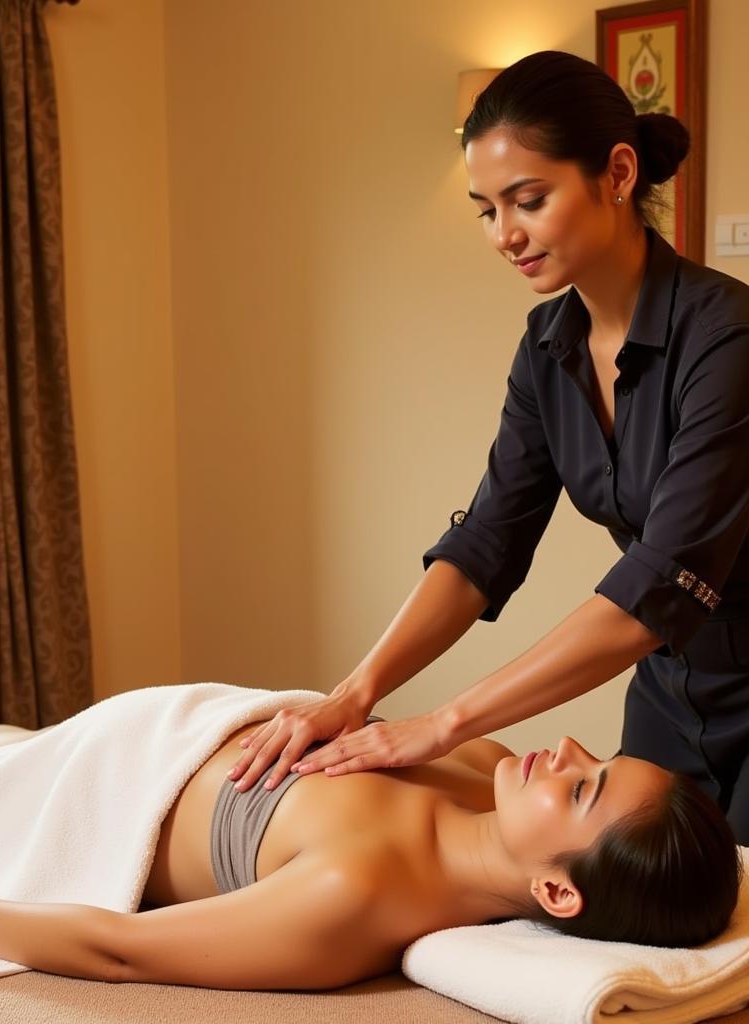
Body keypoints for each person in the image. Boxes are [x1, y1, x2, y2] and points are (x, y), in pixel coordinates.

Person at [230, 51, 749, 844]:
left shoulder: (727, 339)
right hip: (673, 698)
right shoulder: (549, 346)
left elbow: (658, 586)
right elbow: (487, 542)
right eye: (485, 210)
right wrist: (354, 692)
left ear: (616, 174)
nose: (505, 235)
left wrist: (443, 725)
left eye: (528, 201)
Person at [0, 690, 740, 990]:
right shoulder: (485, 765)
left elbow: (123, 949)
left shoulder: (361, 897)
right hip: (171, 720)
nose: (562, 750)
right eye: (592, 751)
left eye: (585, 784)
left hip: (111, 787)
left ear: (557, 895)